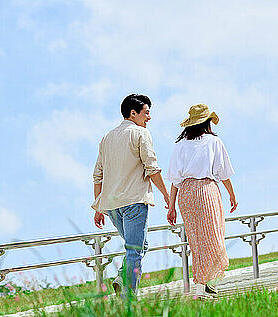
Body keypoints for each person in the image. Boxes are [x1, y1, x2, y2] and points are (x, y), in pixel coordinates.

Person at [92, 93, 170, 298]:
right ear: (133, 113)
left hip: (111, 205)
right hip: (134, 201)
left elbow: (97, 175)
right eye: (146, 113)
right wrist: (167, 196)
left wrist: (98, 206)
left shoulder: (106, 138)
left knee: (138, 246)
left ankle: (120, 279)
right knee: (135, 250)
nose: (149, 118)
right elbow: (152, 169)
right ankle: (129, 296)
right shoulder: (140, 133)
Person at [166, 104, 238, 296]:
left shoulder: (179, 145)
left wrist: (171, 206)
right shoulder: (214, 142)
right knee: (213, 236)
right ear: (207, 122)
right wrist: (231, 194)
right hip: (207, 190)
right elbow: (223, 173)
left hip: (186, 193)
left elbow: (175, 180)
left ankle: (203, 285)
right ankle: (204, 285)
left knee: (196, 239)